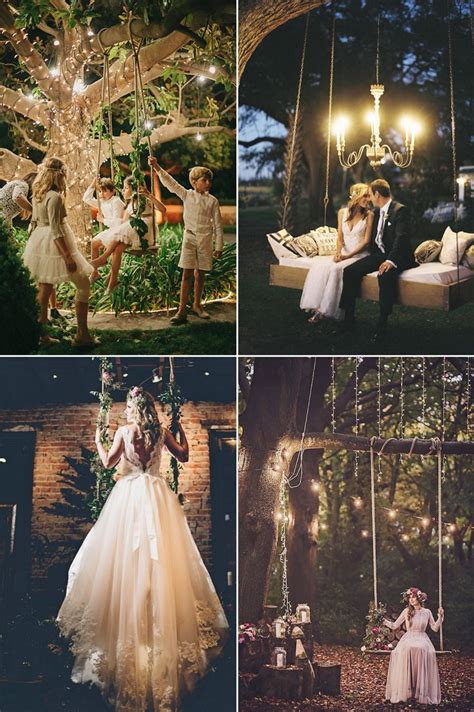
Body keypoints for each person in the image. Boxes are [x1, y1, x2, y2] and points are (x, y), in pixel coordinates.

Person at [57, 387, 229, 712]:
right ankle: (154, 650)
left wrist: (98, 439)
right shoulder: (161, 432)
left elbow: (108, 463)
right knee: (163, 560)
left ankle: (134, 649)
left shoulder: (123, 432)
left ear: (133, 408)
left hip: (128, 498)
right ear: (150, 406)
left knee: (125, 560)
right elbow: (185, 456)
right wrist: (180, 432)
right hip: (157, 497)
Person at [22, 157, 95, 346]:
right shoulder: (54, 197)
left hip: (40, 240)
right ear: (59, 175)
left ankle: (42, 336)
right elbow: (56, 230)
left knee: (44, 290)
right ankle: (82, 335)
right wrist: (68, 256)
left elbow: (35, 222)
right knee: (83, 284)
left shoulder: (38, 193)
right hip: (54, 242)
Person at [339, 178, 416, 343]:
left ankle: (382, 325)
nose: (369, 199)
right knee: (350, 271)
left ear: (377, 194)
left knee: (385, 276)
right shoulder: (377, 211)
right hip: (379, 255)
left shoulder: (400, 210)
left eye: (370, 195)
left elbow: (401, 239)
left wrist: (390, 261)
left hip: (398, 256)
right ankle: (349, 318)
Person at [148, 156, 224, 325]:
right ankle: (182, 311)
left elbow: (218, 225)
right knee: (187, 274)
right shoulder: (186, 194)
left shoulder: (213, 201)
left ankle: (197, 305)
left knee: (200, 274)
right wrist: (157, 167)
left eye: (209, 180)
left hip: (205, 239)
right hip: (189, 238)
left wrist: (218, 246)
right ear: (194, 182)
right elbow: (171, 183)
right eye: (204, 180)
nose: (208, 183)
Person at [300, 183, 373, 321]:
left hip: (358, 255)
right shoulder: (342, 213)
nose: (368, 199)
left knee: (336, 269)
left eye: (369, 196)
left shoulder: (369, 215)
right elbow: (339, 237)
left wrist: (347, 256)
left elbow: (366, 242)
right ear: (355, 196)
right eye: (365, 196)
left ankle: (326, 311)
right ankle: (316, 307)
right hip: (344, 252)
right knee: (321, 266)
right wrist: (338, 253)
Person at [90, 176, 166, 291]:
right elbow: (123, 223)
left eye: (126, 188)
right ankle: (112, 281)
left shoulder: (145, 200)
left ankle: (104, 257)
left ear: (134, 188)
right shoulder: (130, 204)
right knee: (118, 249)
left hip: (144, 232)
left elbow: (163, 209)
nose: (123, 190)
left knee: (126, 227)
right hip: (133, 232)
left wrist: (149, 194)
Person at [383, 587, 443, 704]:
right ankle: (407, 688)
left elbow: (435, 628)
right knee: (407, 649)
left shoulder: (427, 612)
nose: (411, 599)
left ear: (420, 598)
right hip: (409, 637)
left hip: (422, 637)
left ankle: (420, 690)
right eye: (409, 597)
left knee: (421, 649)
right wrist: (383, 621)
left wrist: (440, 617)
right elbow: (395, 626)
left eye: (413, 597)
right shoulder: (406, 611)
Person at [83, 177, 125, 268]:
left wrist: (103, 220)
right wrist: (93, 185)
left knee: (99, 244)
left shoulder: (116, 201)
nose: (102, 194)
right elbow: (86, 198)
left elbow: (118, 223)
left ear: (113, 191)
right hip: (111, 230)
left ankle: (102, 260)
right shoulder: (102, 201)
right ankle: (94, 272)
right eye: (100, 191)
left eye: (105, 191)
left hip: (120, 231)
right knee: (93, 243)